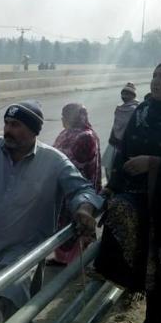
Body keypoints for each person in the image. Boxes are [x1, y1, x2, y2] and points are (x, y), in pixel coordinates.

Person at [0, 100, 101, 323]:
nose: (8, 130)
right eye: (7, 123)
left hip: (20, 255)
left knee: (17, 316)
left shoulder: (54, 161)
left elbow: (83, 189)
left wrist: (83, 209)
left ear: (34, 130)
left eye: (16, 125)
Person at [95, 59, 161, 323]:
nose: (156, 81)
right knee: (148, 271)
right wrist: (112, 186)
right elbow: (123, 152)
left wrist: (155, 162)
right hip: (142, 206)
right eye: (154, 75)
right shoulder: (143, 112)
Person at [48, 103, 102, 265]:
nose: (63, 119)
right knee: (62, 222)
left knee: (76, 222)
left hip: (78, 189)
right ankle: (63, 259)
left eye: (66, 116)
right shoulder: (66, 133)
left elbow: (76, 164)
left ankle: (77, 264)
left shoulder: (86, 136)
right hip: (63, 188)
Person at [101, 82, 139, 181]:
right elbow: (115, 126)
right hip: (114, 142)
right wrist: (112, 138)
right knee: (108, 165)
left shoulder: (135, 109)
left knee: (122, 170)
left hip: (126, 144)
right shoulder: (119, 108)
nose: (124, 96)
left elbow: (133, 129)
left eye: (127, 94)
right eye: (123, 94)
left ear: (133, 95)